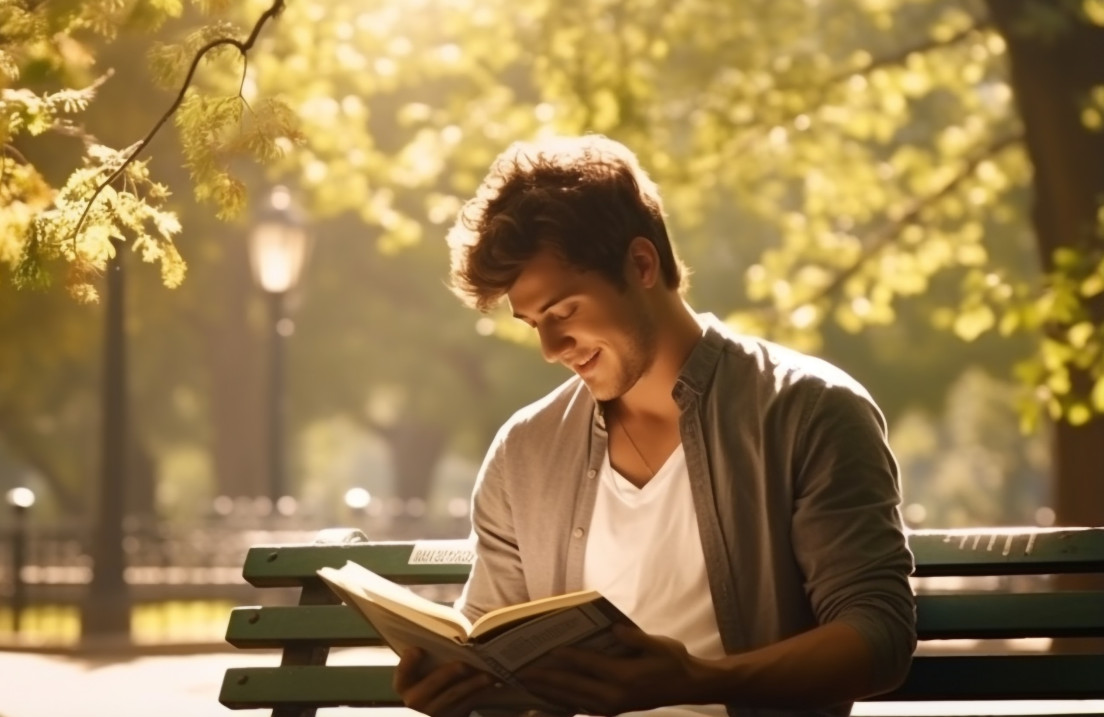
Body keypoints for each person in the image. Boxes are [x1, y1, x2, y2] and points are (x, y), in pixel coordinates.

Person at [392, 135, 916, 717]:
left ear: (642, 264)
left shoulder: (808, 410)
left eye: (564, 311)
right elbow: (492, 641)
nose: (551, 348)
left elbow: (879, 635)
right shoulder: (525, 450)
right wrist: (452, 687)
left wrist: (697, 681)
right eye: (534, 323)